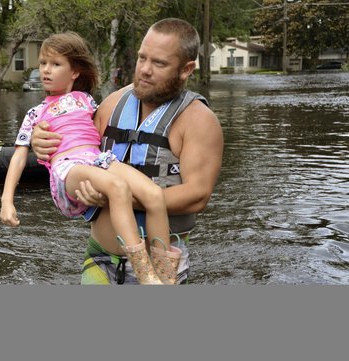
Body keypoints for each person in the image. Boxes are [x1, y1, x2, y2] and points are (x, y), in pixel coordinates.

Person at [30, 18, 224, 285]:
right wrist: (39, 142)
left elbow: (197, 196)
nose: (144, 70)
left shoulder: (199, 121)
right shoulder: (111, 105)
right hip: (99, 255)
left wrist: (115, 195)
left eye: (159, 63)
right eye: (142, 58)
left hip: (158, 266)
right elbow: (76, 151)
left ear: (186, 69)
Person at [0, 32, 181, 285]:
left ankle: (166, 275)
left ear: (75, 72)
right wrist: (7, 200)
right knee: (117, 187)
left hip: (98, 160)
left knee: (154, 195)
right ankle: (145, 273)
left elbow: (108, 116)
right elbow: (19, 157)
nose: (46, 70)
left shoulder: (86, 101)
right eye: (43, 63)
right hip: (67, 170)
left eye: (55, 64)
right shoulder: (35, 113)